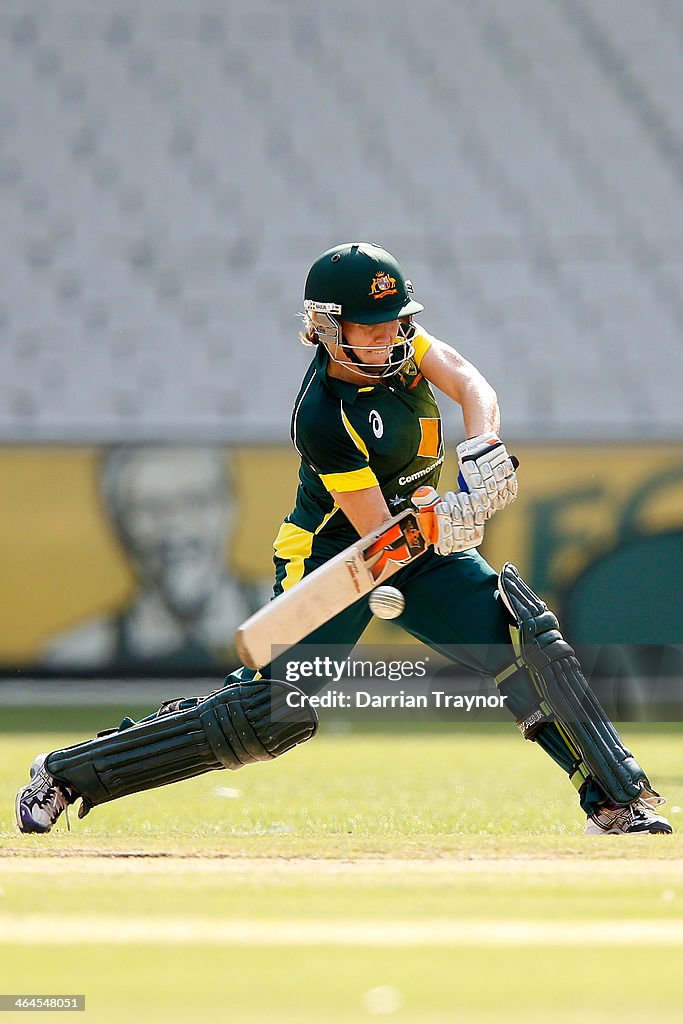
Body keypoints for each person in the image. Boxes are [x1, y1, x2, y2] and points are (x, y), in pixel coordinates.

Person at [16, 242, 672, 836]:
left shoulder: (402, 344)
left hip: (419, 539)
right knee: (267, 715)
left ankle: (615, 801)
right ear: (327, 328)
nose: (390, 335)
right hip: (339, 557)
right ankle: (66, 773)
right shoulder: (323, 415)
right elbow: (379, 537)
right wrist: (451, 515)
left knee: (521, 642)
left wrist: (481, 445)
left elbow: (472, 385)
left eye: (395, 321)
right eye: (371, 324)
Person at [41, 446, 264, 672]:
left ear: (231, 508)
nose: (176, 524)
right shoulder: (78, 656)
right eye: (150, 508)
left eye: (197, 501)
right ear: (118, 525)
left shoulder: (292, 622)